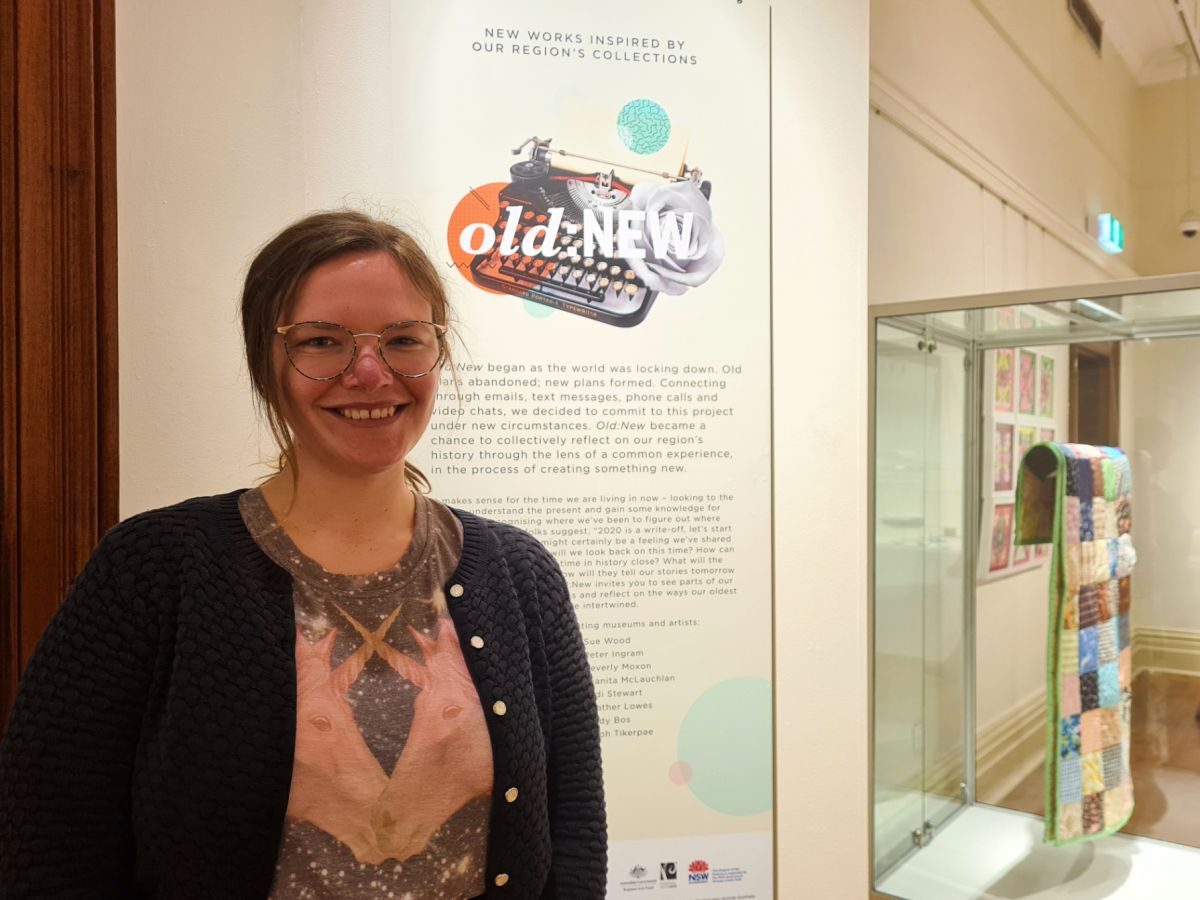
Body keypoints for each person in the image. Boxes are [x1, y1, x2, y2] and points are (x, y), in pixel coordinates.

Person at [0, 210, 607, 899]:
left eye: (404, 339)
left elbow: (574, 831)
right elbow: (51, 837)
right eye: (322, 342)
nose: (371, 373)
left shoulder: (519, 574)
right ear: (268, 362)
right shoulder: (156, 569)